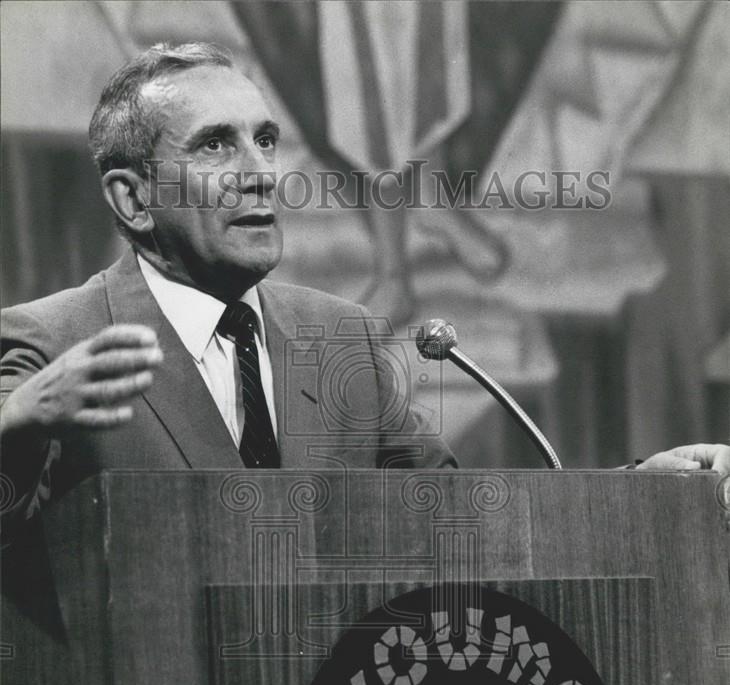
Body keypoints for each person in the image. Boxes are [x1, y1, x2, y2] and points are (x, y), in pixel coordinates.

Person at [0, 42, 727, 536]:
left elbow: (466, 518)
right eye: (216, 144)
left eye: (265, 140)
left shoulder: (339, 336)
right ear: (132, 199)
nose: (259, 174)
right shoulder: (49, 343)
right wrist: (18, 432)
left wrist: (642, 492)